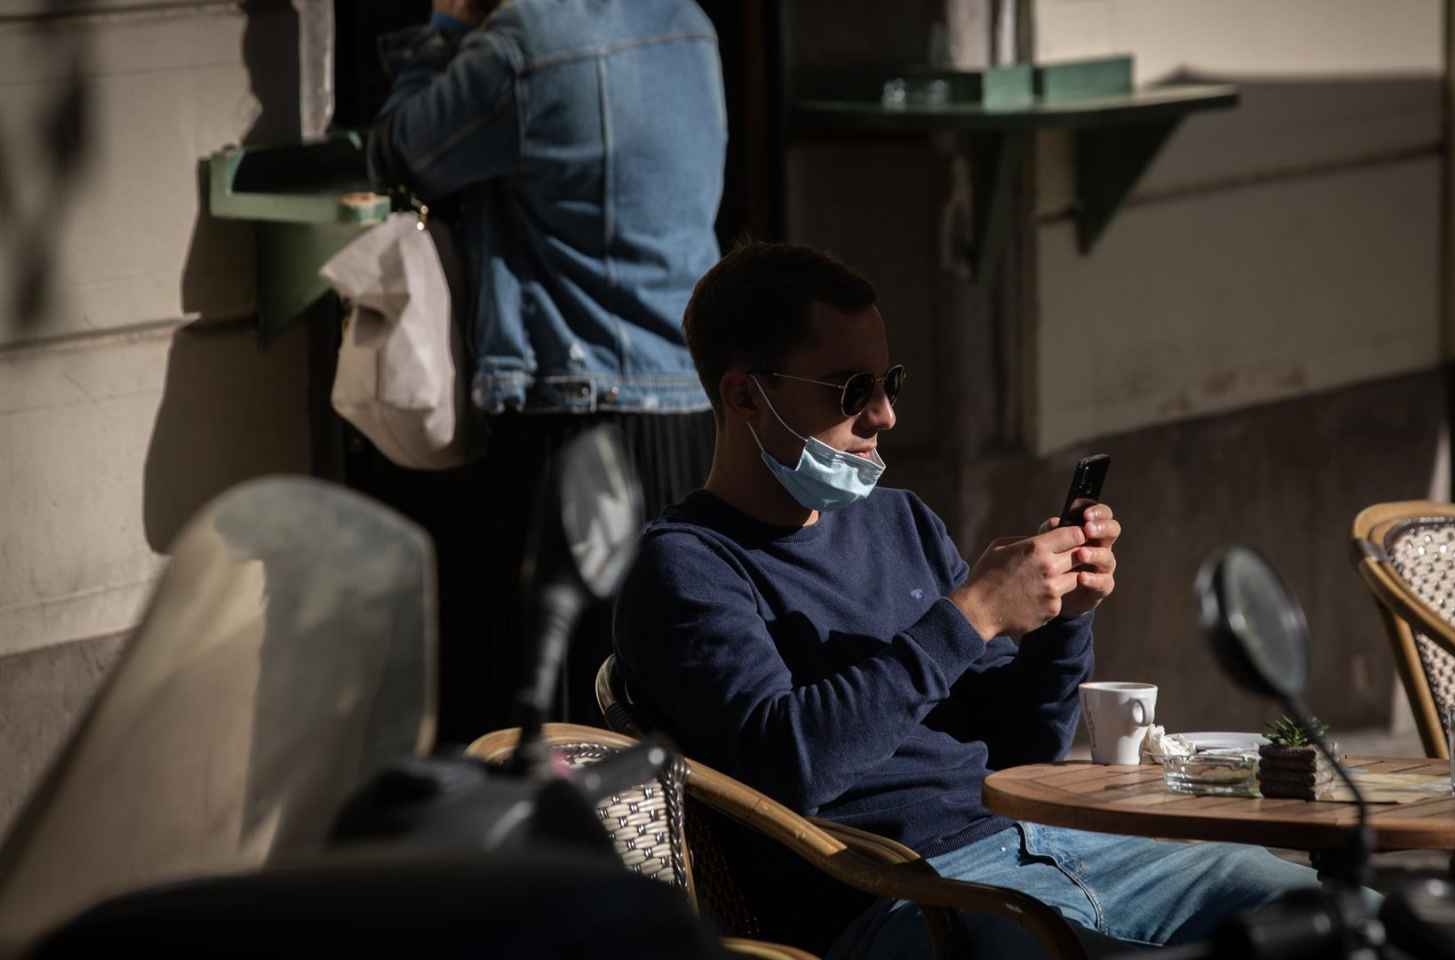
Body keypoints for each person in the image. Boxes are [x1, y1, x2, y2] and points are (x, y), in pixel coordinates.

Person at [613, 242, 1320, 958]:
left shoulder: (901, 521)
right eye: (851, 390)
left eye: (888, 381)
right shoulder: (686, 566)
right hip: (906, 900)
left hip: (1050, 847)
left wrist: (1058, 623)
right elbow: (787, 764)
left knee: (1336, 917)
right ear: (744, 396)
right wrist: (972, 613)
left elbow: (1018, 750)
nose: (885, 414)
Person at [365, 0, 725, 742]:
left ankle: (570, 859)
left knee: (563, 718)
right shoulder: (687, 19)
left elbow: (400, 151)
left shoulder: (526, 44)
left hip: (579, 414)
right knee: (657, 696)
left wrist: (443, 27)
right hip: (687, 405)